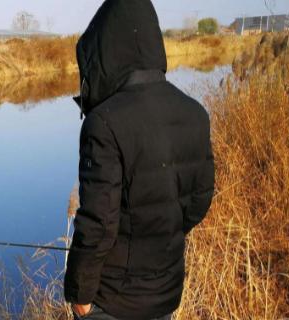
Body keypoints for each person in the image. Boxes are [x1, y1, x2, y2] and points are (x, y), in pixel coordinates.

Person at [63, 1, 216, 319]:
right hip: (167, 291)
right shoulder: (195, 112)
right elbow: (199, 201)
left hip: (114, 302)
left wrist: (80, 296)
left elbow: (97, 224)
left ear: (105, 50)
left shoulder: (103, 122)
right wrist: (157, 235)